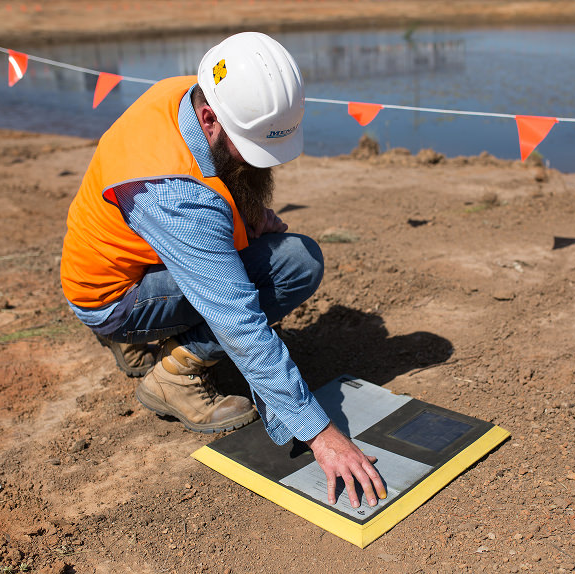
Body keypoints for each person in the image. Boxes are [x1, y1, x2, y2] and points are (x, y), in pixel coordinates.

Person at [60, 32, 384, 509]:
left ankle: (137, 341)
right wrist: (319, 433)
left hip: (111, 262)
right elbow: (238, 320)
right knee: (294, 263)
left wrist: (249, 216)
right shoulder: (176, 195)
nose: (256, 162)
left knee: (258, 248)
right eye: (250, 147)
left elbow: (215, 179)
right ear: (211, 118)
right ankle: (174, 375)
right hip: (115, 296)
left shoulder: (181, 94)